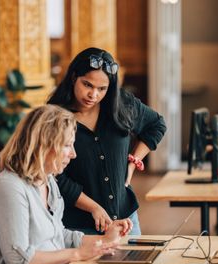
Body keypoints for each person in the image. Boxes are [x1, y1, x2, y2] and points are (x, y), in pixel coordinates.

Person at [0, 105, 132, 264]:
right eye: (67, 145)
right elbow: (19, 260)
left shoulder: (47, 180)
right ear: (43, 145)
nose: (73, 154)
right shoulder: (9, 187)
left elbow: (58, 235)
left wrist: (103, 241)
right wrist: (77, 254)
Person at [48, 47, 166, 235]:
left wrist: (133, 162)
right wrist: (93, 207)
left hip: (127, 222)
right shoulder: (54, 117)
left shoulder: (121, 104)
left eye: (102, 89)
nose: (93, 95)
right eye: (87, 85)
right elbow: (54, 175)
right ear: (73, 77)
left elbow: (157, 125)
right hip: (80, 228)